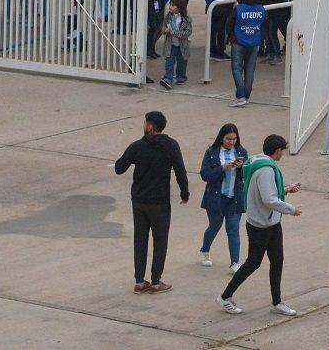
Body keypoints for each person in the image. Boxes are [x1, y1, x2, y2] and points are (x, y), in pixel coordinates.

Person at [217, 134, 301, 316]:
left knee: (277, 260)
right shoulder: (266, 169)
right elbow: (269, 199)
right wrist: (291, 209)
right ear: (278, 150)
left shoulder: (257, 162)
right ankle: (225, 296)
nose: (282, 154)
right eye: (282, 151)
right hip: (261, 225)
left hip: (271, 222)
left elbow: (267, 191)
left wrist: (286, 189)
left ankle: (277, 301)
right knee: (253, 263)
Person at [114, 110, 189, 295]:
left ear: (149, 126)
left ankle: (139, 282)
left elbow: (118, 168)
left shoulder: (137, 147)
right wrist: (184, 193)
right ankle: (156, 282)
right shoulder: (171, 146)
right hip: (160, 202)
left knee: (140, 240)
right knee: (160, 241)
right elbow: (180, 171)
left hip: (139, 201)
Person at [199, 124, 247, 272]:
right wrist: (222, 169)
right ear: (221, 137)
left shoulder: (241, 152)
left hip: (234, 197)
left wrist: (241, 167)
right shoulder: (211, 153)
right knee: (214, 226)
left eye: (234, 139)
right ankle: (205, 250)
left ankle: (235, 262)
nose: (231, 142)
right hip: (216, 198)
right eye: (228, 139)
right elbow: (205, 175)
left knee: (233, 229)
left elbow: (246, 174)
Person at [230, 0, 266, 107]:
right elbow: (263, 25)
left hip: (239, 41)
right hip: (254, 41)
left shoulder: (239, 8)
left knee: (237, 69)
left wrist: (229, 37)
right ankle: (247, 94)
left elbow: (230, 23)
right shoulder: (261, 9)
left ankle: (240, 95)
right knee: (250, 70)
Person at [159, 0, 192, 90]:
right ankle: (168, 79)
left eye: (173, 5)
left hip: (182, 45)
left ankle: (181, 76)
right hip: (171, 44)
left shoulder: (186, 19)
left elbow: (187, 33)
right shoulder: (168, 17)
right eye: (170, 5)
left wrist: (174, 32)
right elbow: (162, 29)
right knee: (169, 62)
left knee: (182, 62)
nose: (170, 7)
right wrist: (165, 31)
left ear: (179, 7)